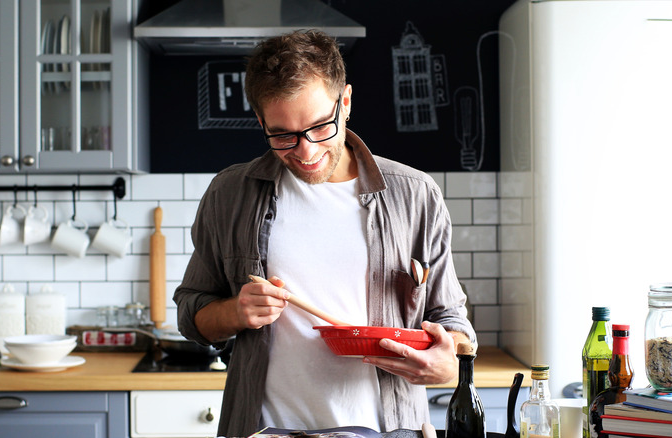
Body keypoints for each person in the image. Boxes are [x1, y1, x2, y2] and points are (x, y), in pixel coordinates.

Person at [174, 29, 476, 437]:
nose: (306, 151)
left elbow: (452, 322)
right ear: (261, 121)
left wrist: (449, 362)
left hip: (388, 429)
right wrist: (235, 312)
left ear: (345, 102)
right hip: (264, 429)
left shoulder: (415, 195)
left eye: (320, 127)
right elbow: (192, 314)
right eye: (283, 134)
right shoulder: (230, 194)